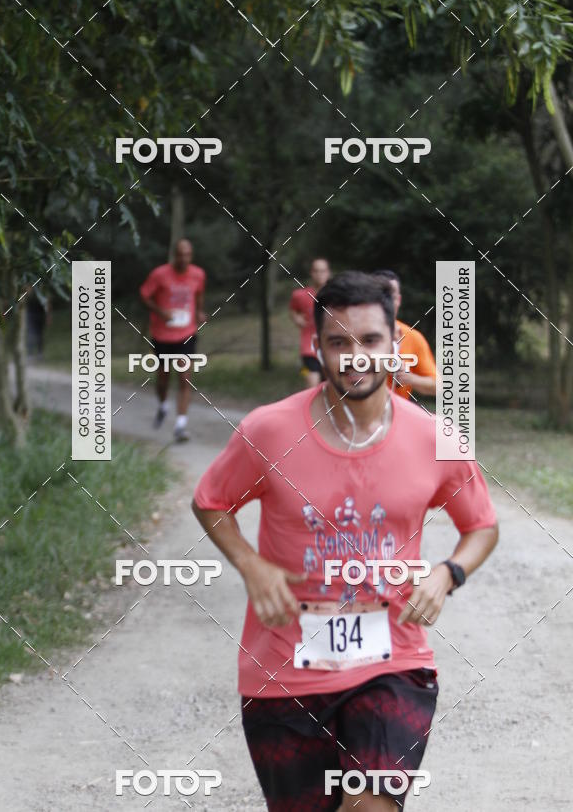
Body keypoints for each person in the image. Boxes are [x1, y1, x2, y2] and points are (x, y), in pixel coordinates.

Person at [192, 271, 498, 811]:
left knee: (372, 804)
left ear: (395, 346)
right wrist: (251, 566)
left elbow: (482, 526)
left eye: (371, 341)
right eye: (339, 342)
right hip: (283, 672)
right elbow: (211, 501)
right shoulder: (268, 431)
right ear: (318, 348)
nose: (356, 356)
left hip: (393, 663)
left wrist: (448, 572)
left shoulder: (436, 437)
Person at [140, 239, 206, 441]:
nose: (184, 259)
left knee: (185, 378)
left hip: (186, 333)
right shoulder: (160, 275)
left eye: (188, 255)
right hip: (162, 335)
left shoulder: (198, 274)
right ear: (174, 255)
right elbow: (144, 296)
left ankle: (180, 426)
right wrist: (160, 312)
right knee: (163, 378)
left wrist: (200, 312)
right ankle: (163, 405)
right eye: (180, 255)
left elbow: (199, 295)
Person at [372, 270, 436, 401]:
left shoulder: (412, 337)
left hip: (396, 415)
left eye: (391, 297)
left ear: (399, 300)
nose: (385, 303)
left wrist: (409, 377)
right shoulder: (352, 333)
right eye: (379, 296)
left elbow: (437, 386)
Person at [289, 258, 331, 387]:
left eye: (323, 271)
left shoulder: (336, 295)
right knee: (312, 388)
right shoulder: (299, 295)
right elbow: (293, 310)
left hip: (331, 349)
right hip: (309, 349)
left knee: (331, 391)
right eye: (316, 271)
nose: (320, 275)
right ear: (311, 273)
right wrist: (296, 318)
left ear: (328, 273)